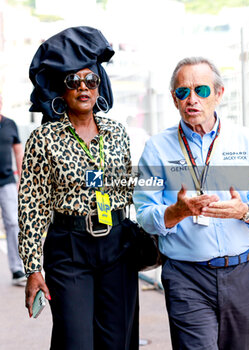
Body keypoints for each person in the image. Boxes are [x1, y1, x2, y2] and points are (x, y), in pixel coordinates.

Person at [133, 56, 249, 350]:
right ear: (174, 100)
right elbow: (143, 213)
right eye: (182, 92)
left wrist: (247, 211)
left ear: (218, 94)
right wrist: (174, 213)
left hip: (241, 273)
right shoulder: (156, 148)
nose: (192, 99)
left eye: (201, 90)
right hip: (186, 276)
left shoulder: (246, 141)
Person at [18, 26, 138, 350]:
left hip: (116, 245)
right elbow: (32, 205)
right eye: (73, 81)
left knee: (116, 341)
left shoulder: (117, 133)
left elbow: (127, 187)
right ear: (63, 88)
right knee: (76, 341)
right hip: (68, 249)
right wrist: (32, 268)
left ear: (100, 86)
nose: (83, 88)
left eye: (91, 80)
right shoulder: (43, 139)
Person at [0, 93, 25, 286]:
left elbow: (18, 151)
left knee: (13, 223)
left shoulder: (10, 124)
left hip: (7, 181)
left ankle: (17, 269)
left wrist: (21, 179)